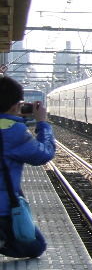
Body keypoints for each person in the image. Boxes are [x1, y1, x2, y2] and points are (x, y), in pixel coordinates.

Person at [0, 76, 55, 258]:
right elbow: (43, 154)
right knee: (36, 246)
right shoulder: (13, 131)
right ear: (16, 105)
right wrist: (42, 123)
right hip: (2, 211)